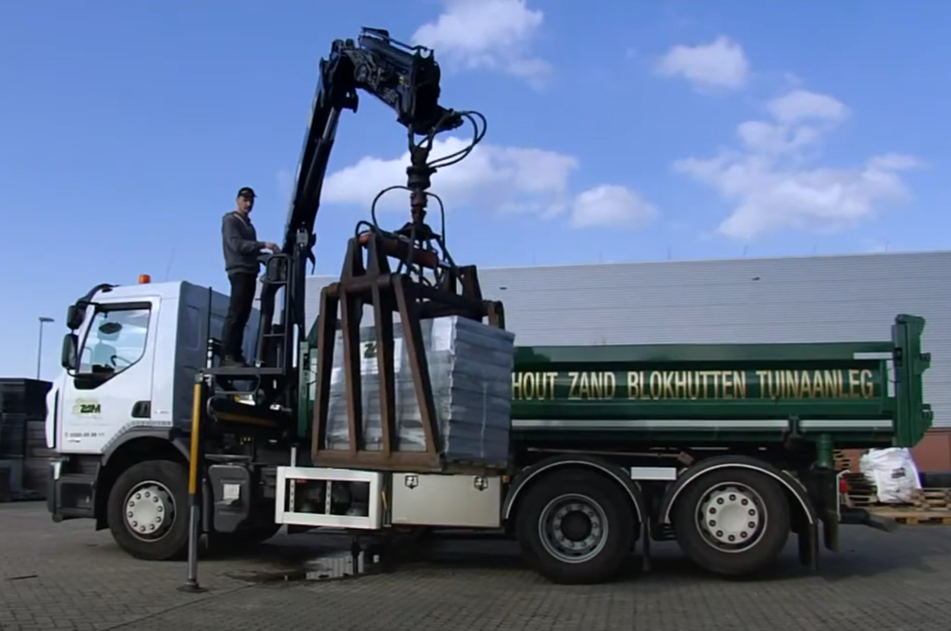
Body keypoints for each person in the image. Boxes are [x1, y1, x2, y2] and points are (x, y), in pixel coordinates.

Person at [220, 186, 280, 367]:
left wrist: (268, 257)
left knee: (244, 314)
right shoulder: (231, 221)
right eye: (245, 200)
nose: (248, 204)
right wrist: (263, 245)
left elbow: (251, 250)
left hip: (250, 272)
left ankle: (236, 354)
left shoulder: (249, 226)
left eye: (251, 201)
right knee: (236, 313)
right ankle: (227, 356)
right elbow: (237, 245)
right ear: (237, 200)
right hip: (238, 271)